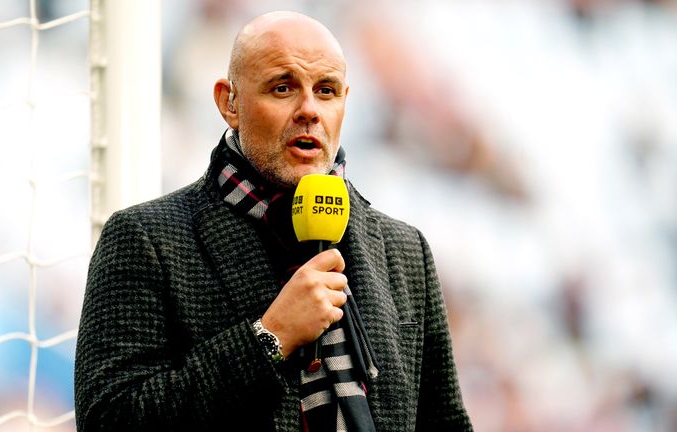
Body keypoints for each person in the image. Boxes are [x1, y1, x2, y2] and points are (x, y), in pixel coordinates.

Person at [75, 10, 472, 432]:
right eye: (283, 88)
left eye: (327, 91)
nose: (309, 110)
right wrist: (269, 337)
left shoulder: (404, 249)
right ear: (229, 102)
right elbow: (109, 419)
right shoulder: (144, 239)